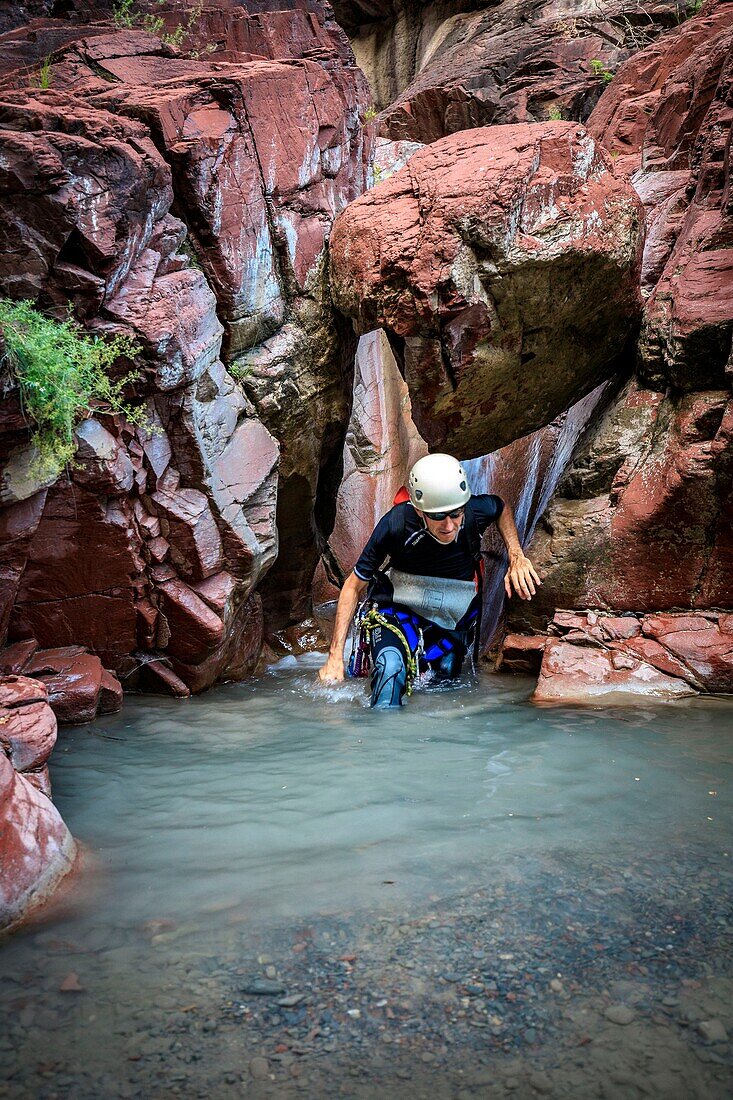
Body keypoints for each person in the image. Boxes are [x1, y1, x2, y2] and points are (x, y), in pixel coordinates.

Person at [318, 453, 541, 707]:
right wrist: (335, 657)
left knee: (445, 687)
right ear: (418, 510)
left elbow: (501, 507)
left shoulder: (473, 512)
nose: (448, 525)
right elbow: (353, 585)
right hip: (398, 609)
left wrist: (516, 556)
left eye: (455, 514)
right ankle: (378, 740)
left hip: (450, 617)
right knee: (390, 669)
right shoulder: (397, 524)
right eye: (437, 516)